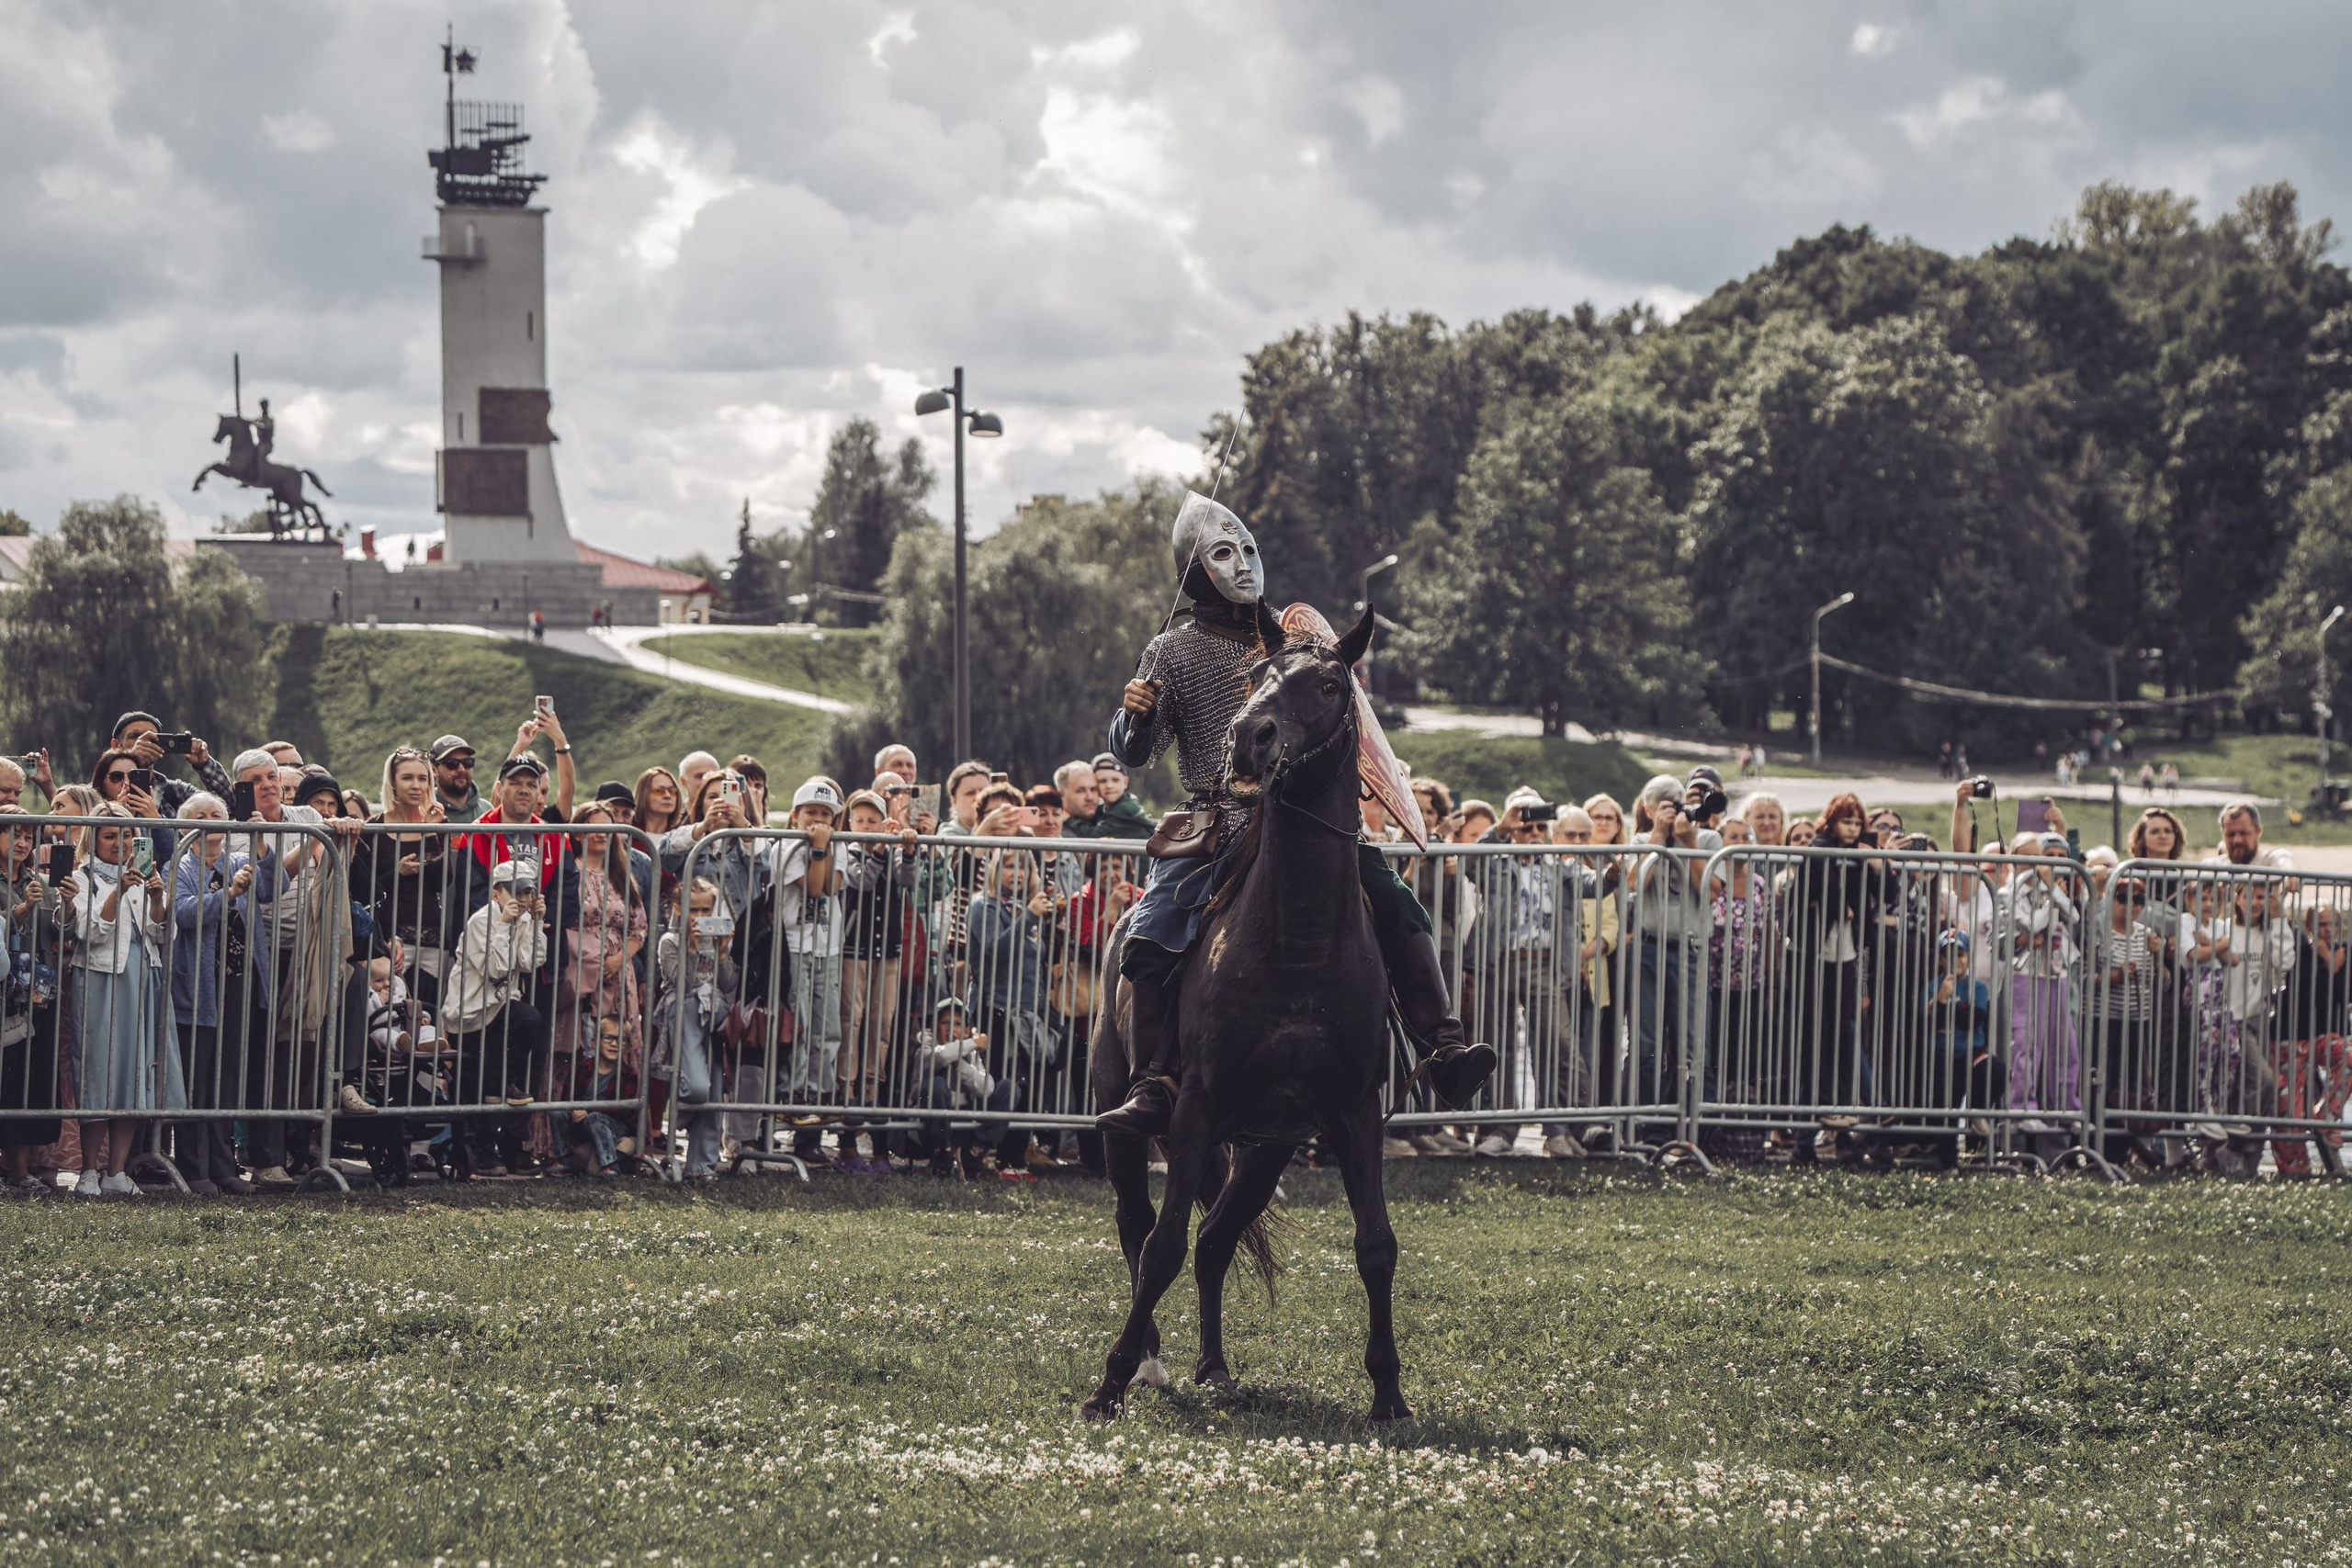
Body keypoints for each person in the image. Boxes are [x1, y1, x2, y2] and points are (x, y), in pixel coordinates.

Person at [1098, 490, 1492, 1133]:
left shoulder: (1293, 634)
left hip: (1304, 819)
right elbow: (1135, 751)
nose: (1244, 563)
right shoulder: (1171, 650)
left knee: (1395, 901)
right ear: (1197, 568)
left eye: (1249, 548)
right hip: (1219, 818)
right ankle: (1155, 1082)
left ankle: (1442, 1048)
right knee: (1152, 927)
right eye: (1225, 552)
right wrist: (1133, 715)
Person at [68, 804, 182, 1196]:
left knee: (134, 1076)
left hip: (142, 977)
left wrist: (155, 898)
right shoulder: (80, 877)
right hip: (100, 979)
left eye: (127, 835)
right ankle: (88, 1171)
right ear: (94, 839)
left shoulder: (147, 873)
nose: (120, 843)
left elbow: (161, 932)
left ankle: (116, 1172)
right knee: (97, 1074)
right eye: (110, 835)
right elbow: (89, 932)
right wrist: (119, 890)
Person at [168, 792, 264, 1194]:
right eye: (200, 816)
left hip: (238, 982)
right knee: (196, 1079)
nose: (210, 822)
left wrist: (260, 843)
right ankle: (194, 1169)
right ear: (186, 826)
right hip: (199, 987)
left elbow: (275, 884)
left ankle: (225, 1168)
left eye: (217, 815)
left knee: (226, 1079)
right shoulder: (181, 866)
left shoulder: (239, 862)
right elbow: (184, 912)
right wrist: (227, 895)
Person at [1622, 774, 1721, 1147]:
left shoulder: (1708, 840)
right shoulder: (1639, 842)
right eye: (1664, 802)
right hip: (1648, 948)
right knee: (1646, 1042)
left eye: (1678, 800)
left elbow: (1710, 892)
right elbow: (1634, 883)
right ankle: (1650, 1130)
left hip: (1691, 949)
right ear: (1648, 809)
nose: (1674, 807)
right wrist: (1658, 840)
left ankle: (1699, 1133)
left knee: (1695, 1045)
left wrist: (1688, 841)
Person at [442, 859, 551, 1173]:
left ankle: (508, 1143)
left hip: (502, 1010)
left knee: (503, 1077)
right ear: (496, 893)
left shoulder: (525, 919)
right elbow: (497, 970)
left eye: (528, 891)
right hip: (473, 1013)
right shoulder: (482, 921)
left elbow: (530, 962)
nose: (523, 898)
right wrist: (504, 925)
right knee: (484, 1077)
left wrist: (535, 921)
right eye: (515, 891)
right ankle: (482, 1148)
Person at [837, 789, 921, 1171]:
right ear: (850, 823)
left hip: (887, 953)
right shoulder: (849, 850)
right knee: (849, 1029)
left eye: (874, 820)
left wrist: (907, 847)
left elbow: (908, 880)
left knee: (880, 1031)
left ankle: (879, 1140)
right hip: (853, 953)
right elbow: (862, 882)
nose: (868, 827)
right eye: (861, 821)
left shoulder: (887, 847)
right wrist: (879, 852)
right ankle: (847, 1139)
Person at [556, 800, 645, 1122]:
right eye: (593, 825)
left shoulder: (621, 876)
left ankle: (615, 1127)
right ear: (578, 833)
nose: (601, 832)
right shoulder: (569, 873)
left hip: (619, 975)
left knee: (615, 1046)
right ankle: (561, 1130)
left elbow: (639, 928)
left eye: (607, 826)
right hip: (577, 970)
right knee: (575, 1047)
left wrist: (619, 960)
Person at [775, 779, 848, 1160]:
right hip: (794, 947)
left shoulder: (841, 847)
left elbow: (833, 887)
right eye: (811, 814)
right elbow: (814, 888)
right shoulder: (787, 847)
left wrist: (826, 847)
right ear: (795, 816)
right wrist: (819, 848)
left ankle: (820, 1098)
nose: (818, 821)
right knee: (800, 1023)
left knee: (827, 1026)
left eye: (826, 815)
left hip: (828, 948)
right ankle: (796, 1094)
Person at [1, 807, 65, 1190]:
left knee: (27, 1079)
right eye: (14, 834)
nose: (23, 843)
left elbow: (64, 932)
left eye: (29, 836)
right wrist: (21, 910)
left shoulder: (40, 880)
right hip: (3, 994)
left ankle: (20, 1172)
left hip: (35, 994)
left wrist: (67, 905)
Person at [656, 876, 736, 1179]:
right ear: (679, 908)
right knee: (697, 1088)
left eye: (706, 910)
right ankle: (681, 1117)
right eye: (694, 910)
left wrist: (725, 953)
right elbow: (682, 985)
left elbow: (728, 984)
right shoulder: (670, 941)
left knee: (713, 1091)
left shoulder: (714, 937)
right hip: (685, 1012)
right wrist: (690, 949)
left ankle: (701, 1166)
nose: (700, 918)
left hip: (714, 1013)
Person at [108, 711, 233, 817]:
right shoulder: (99, 789)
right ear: (115, 745)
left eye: (152, 738)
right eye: (135, 736)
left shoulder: (175, 791)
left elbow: (228, 805)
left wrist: (204, 765)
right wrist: (132, 759)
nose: (144, 742)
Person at [1090, 752, 1156, 839]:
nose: (1109, 786)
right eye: (1102, 781)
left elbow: (1093, 834)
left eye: (1115, 780)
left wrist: (1069, 819)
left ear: (1125, 782)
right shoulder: (1102, 806)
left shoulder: (1126, 808)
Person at [429, 735, 487, 824]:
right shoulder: (426, 811)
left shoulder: (487, 810)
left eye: (467, 762)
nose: (462, 769)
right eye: (452, 764)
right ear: (434, 770)